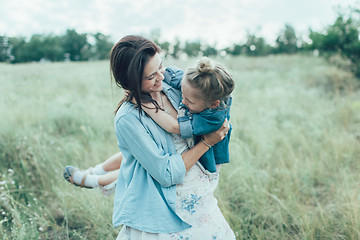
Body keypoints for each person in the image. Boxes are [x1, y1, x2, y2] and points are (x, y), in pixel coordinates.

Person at [66, 35, 235, 239]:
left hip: (200, 200)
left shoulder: (173, 87)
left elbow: (210, 94)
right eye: (150, 76)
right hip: (166, 210)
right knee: (132, 164)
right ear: (130, 80)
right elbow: (165, 174)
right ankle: (97, 178)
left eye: (160, 67)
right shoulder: (128, 118)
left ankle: (97, 178)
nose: (161, 78)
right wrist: (208, 142)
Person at [63, 57, 234, 191]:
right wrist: (139, 79)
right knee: (133, 153)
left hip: (198, 159)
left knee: (141, 169)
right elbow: (169, 74)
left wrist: (145, 104)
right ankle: (96, 170)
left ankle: (94, 181)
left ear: (213, 104)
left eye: (189, 101)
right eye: (154, 73)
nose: (182, 101)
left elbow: (176, 128)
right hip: (182, 147)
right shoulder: (192, 80)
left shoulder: (213, 118)